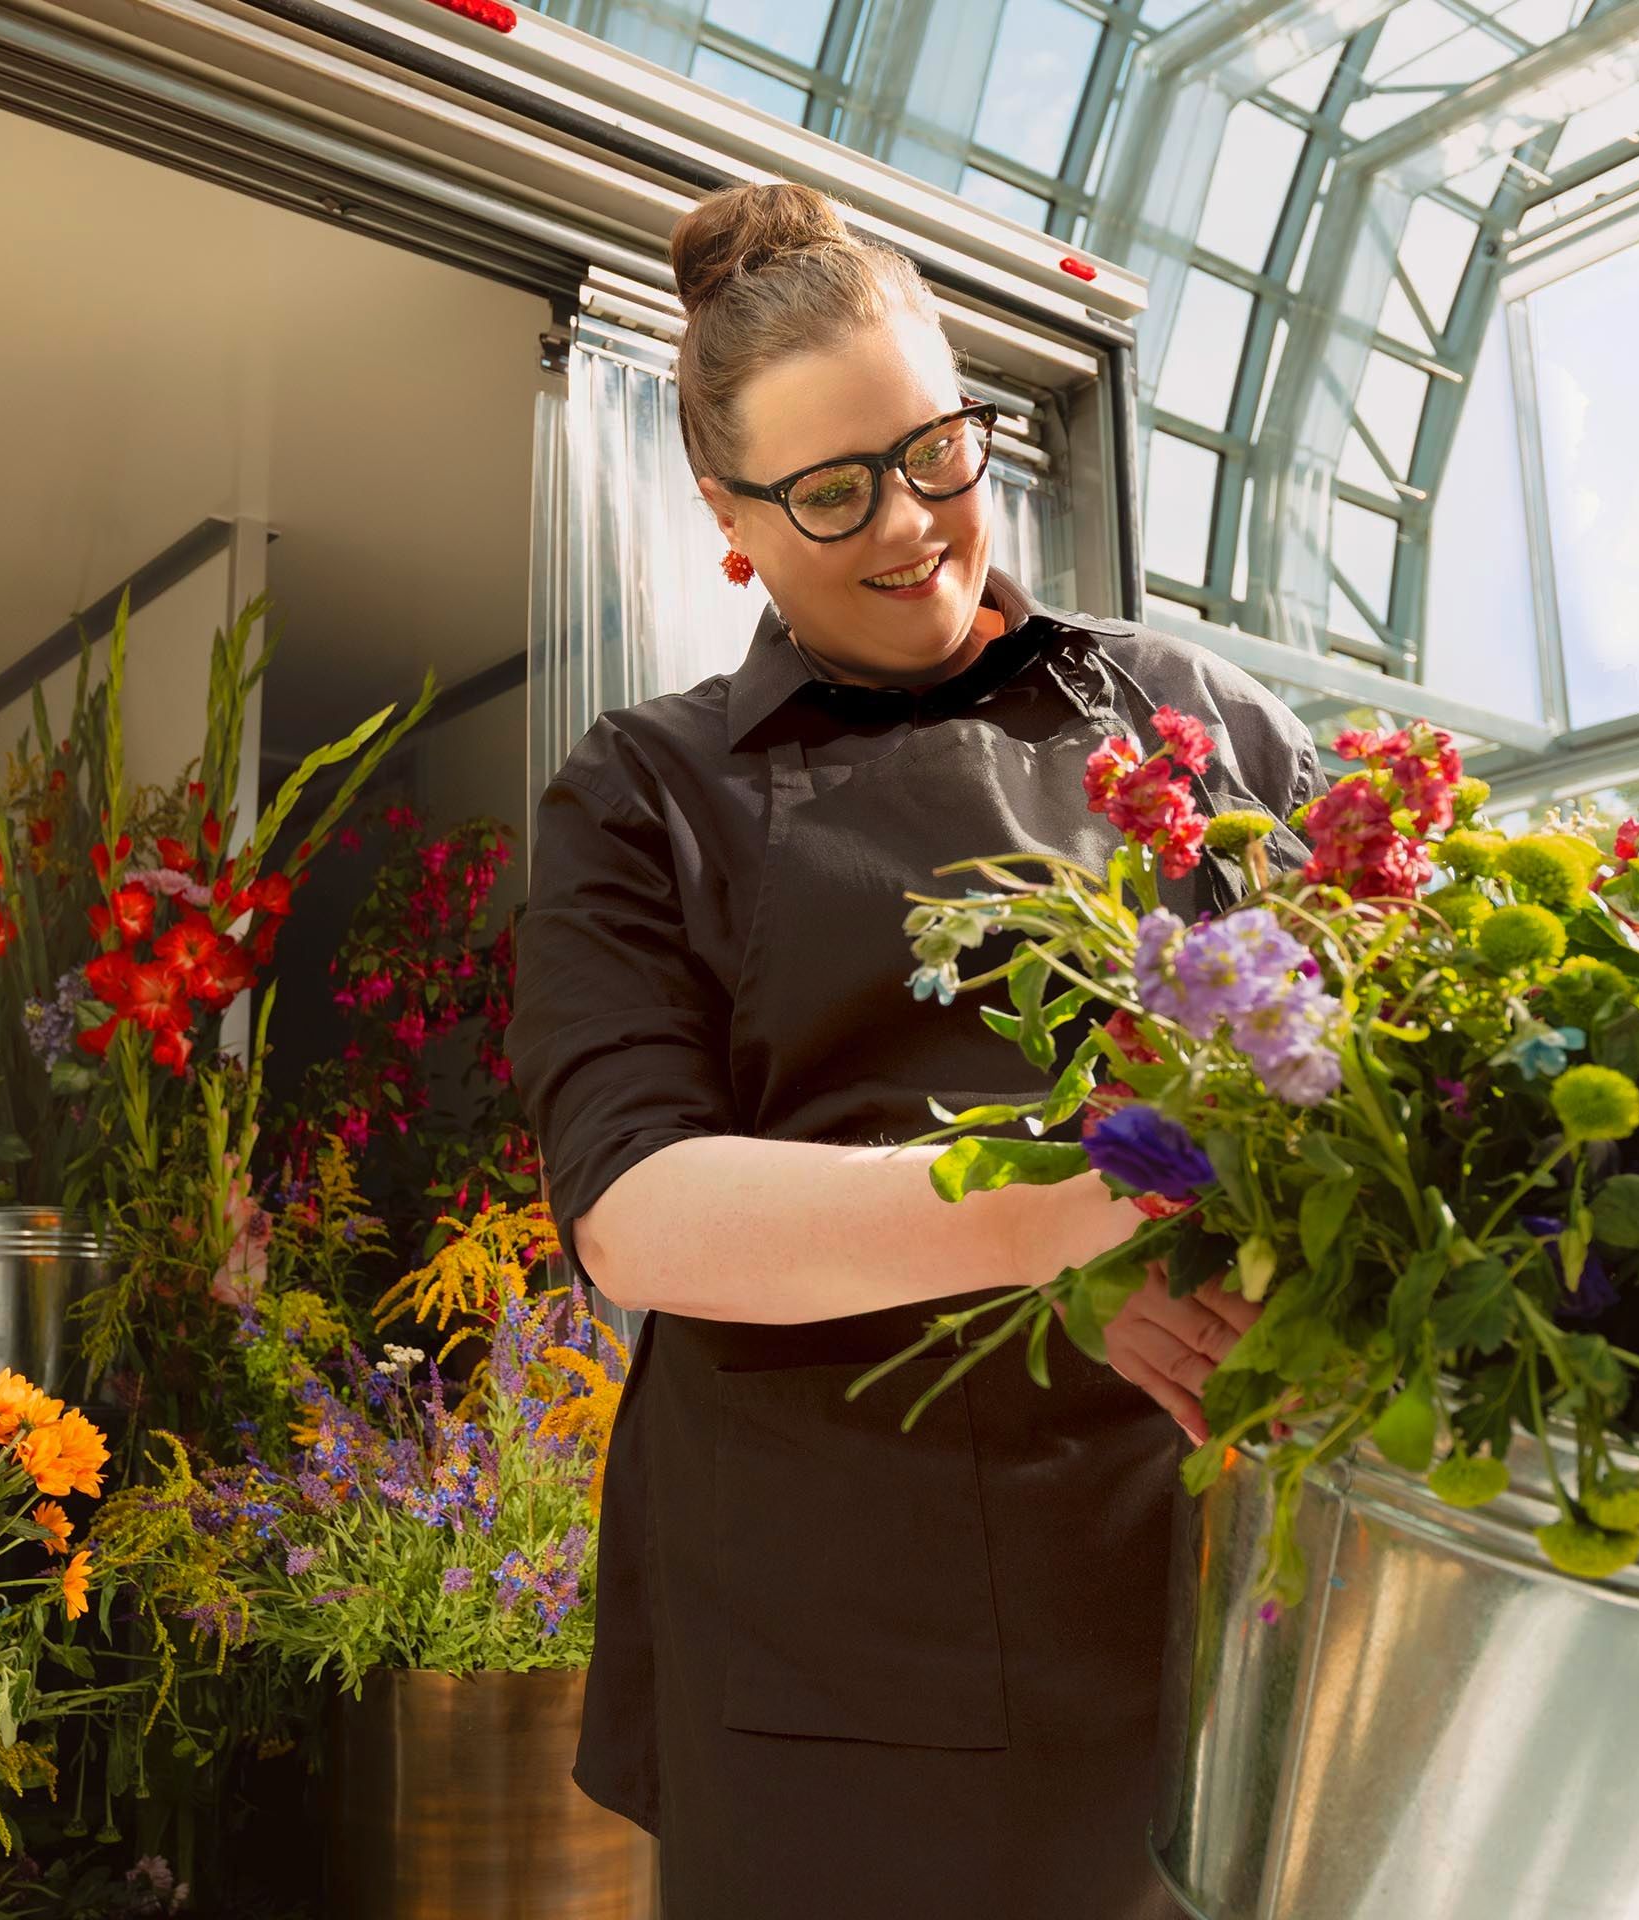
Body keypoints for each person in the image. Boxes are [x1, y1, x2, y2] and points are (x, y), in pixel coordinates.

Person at [510, 180, 1326, 1919]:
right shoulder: (644, 792)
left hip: (1233, 1592)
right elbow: (642, 1213)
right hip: (836, 1667)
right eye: (830, 491)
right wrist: (1071, 1210)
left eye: (934, 449)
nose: (914, 527)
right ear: (727, 520)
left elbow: (1384, 1069)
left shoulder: (1199, 723)